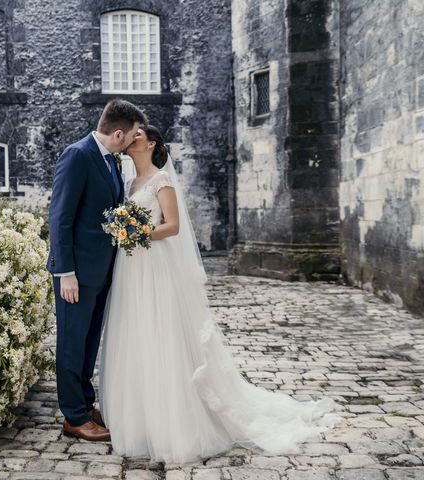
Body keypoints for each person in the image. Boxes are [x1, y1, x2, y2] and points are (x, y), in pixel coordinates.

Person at [99, 125, 343, 463]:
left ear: (151, 143)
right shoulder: (129, 182)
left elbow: (173, 226)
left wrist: (137, 232)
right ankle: (140, 416)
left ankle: (176, 421)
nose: (130, 137)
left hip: (154, 265)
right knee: (137, 333)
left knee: (162, 334)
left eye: (138, 134)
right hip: (132, 267)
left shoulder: (161, 180)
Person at [47, 99, 147, 441]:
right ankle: (73, 417)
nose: (135, 139)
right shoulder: (77, 155)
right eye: (133, 134)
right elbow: (60, 218)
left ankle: (85, 403)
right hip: (76, 274)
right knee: (72, 342)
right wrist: (65, 273)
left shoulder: (112, 162)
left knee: (89, 343)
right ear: (118, 132)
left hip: (102, 271)